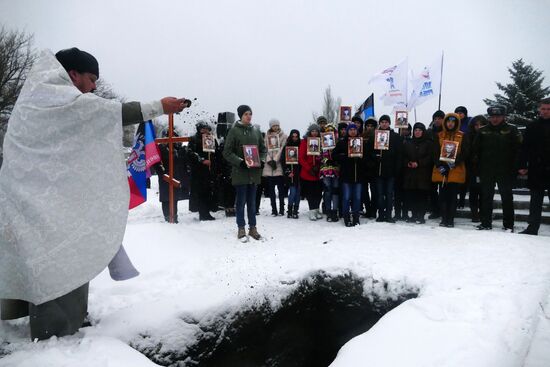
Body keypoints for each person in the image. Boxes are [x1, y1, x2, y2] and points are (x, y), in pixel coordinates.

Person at [0, 47, 188, 340]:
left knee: (38, 259)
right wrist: (159, 106)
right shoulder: (58, 99)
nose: (95, 87)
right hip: (46, 207)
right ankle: (57, 335)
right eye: (91, 78)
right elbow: (112, 112)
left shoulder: (34, 101)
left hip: (26, 200)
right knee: (60, 260)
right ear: (72, 74)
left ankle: (40, 316)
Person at [473, 105, 522, 231]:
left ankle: (508, 224)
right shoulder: (482, 131)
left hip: (505, 170)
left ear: (503, 117)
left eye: (498, 117)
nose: (494, 119)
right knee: (486, 197)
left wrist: (517, 167)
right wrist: (477, 168)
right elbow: (475, 151)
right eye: (492, 117)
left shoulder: (512, 129)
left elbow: (518, 150)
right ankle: (485, 223)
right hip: (486, 170)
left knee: (506, 197)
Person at [223, 105, 267, 240]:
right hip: (240, 173)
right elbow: (227, 152)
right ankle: (241, 228)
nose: (249, 116)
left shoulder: (256, 131)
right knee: (241, 202)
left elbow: (263, 149)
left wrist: (262, 160)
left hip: (254, 173)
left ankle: (253, 228)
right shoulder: (234, 131)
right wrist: (240, 162)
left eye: (250, 114)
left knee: (252, 203)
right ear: (241, 116)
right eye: (246, 114)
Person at [518, 98, 550, 235]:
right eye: (543, 109)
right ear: (539, 109)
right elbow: (525, 148)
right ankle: (532, 228)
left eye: (548, 109)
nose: (545, 111)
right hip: (537, 168)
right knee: (535, 200)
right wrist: (522, 164)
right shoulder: (532, 126)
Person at [431, 113, 468, 228]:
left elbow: (466, 152)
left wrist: (455, 163)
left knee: (452, 195)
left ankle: (450, 219)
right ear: (445, 123)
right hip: (442, 169)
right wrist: (439, 165)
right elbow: (434, 152)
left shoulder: (462, 136)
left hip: (455, 169)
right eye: (448, 121)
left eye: (453, 122)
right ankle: (444, 218)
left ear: (456, 123)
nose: (450, 124)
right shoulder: (440, 135)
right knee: (442, 194)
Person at [370, 115, 402, 223]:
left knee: (389, 194)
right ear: (380, 123)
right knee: (379, 194)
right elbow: (369, 152)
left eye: (386, 122)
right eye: (382, 122)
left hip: (390, 171)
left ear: (389, 123)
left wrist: (396, 170)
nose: (384, 124)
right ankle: (381, 214)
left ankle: (388, 214)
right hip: (378, 171)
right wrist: (375, 157)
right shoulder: (374, 135)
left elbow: (399, 154)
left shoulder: (395, 136)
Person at [333, 122, 365, 226]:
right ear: (348, 131)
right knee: (346, 197)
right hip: (346, 175)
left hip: (358, 175)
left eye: (354, 130)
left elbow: (367, 157)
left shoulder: (362, 142)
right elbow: (334, 155)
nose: (353, 131)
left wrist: (361, 158)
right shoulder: (342, 142)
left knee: (357, 198)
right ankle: (346, 216)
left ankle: (356, 217)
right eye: (350, 130)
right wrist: (346, 156)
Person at [156, 128, 190, 223]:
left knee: (174, 198)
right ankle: (167, 217)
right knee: (166, 198)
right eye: (170, 135)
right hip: (165, 176)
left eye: (174, 135)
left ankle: (174, 216)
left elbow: (183, 161)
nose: (172, 137)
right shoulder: (161, 148)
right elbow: (156, 162)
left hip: (176, 176)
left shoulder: (179, 148)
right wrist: (162, 172)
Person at [402, 123, 433, 224]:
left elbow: (430, 157)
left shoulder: (428, 143)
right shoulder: (408, 143)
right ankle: (414, 215)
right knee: (412, 196)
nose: (417, 132)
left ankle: (421, 216)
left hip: (423, 174)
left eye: (419, 130)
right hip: (411, 174)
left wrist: (419, 163)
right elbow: (404, 156)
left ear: (423, 132)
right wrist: (408, 163)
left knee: (422, 196)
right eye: (416, 130)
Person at [187, 121, 218, 221]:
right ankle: (203, 213)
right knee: (200, 192)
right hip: (198, 172)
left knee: (209, 191)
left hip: (209, 171)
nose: (205, 131)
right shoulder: (194, 139)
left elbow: (216, 153)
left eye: (207, 129)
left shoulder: (211, 139)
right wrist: (202, 160)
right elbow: (190, 153)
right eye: (203, 129)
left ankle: (207, 211)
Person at [262, 119, 287, 216]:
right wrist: (269, 160)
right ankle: (274, 209)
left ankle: (281, 209)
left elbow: (282, 149)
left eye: (277, 125)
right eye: (273, 126)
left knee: (281, 190)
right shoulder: (266, 137)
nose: (275, 127)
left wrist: (275, 160)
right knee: (271, 190)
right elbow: (265, 149)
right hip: (269, 165)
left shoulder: (284, 136)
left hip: (278, 164)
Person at [465, 115, 487, 222]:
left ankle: (483, 213)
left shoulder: (488, 136)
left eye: (481, 125)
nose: (479, 127)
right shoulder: (468, 136)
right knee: (473, 192)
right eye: (476, 125)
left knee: (484, 193)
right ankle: (474, 214)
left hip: (485, 169)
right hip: (472, 169)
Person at [299, 124, 323, 220]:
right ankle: (312, 210)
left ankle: (317, 209)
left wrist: (319, 165)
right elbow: (301, 157)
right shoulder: (305, 142)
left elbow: (323, 155)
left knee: (318, 192)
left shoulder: (321, 142)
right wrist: (309, 168)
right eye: (312, 131)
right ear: (309, 132)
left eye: (316, 131)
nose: (314, 133)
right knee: (310, 193)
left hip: (318, 171)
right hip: (307, 172)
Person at [426, 110, 445, 219]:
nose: (437, 121)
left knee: (443, 189)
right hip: (430, 164)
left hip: (443, 163)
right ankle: (435, 210)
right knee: (432, 190)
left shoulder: (446, 132)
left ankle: (443, 210)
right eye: (435, 118)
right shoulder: (429, 132)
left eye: (439, 118)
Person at [320, 123, 340, 222]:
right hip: (325, 169)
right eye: (327, 131)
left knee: (335, 191)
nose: (329, 132)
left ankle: (334, 210)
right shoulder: (322, 142)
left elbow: (341, 154)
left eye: (331, 130)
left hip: (336, 169)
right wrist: (325, 160)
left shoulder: (338, 142)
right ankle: (328, 210)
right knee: (328, 191)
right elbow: (318, 155)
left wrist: (336, 160)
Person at [282, 129, 301, 218]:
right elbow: (283, 161)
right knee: (292, 192)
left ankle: (295, 210)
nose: (294, 138)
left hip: (299, 172)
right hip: (291, 173)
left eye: (296, 136)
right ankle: (289, 209)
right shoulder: (287, 146)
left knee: (298, 193)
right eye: (293, 136)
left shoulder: (301, 145)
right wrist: (288, 172)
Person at [361, 118, 378, 218]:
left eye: (372, 126)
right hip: (363, 168)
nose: (369, 128)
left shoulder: (378, 137)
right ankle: (368, 209)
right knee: (364, 191)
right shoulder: (361, 137)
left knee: (374, 191)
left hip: (374, 168)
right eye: (368, 126)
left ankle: (373, 210)